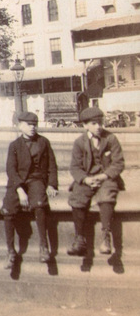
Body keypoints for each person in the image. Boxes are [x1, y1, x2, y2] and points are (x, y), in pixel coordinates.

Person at [1, 111, 58, 267]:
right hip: (17, 183)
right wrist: (19, 190)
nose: (33, 128)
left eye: (35, 124)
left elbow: (52, 165)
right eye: (29, 124)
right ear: (20, 126)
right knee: (8, 210)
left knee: (40, 205)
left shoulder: (43, 142)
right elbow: (11, 170)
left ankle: (44, 247)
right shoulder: (14, 145)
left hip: (36, 179)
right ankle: (11, 251)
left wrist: (52, 184)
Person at [67, 106, 125, 257]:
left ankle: (106, 237)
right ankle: (79, 239)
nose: (98, 126)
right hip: (88, 178)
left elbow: (118, 163)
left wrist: (105, 176)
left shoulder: (111, 138)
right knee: (77, 198)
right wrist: (86, 179)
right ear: (85, 125)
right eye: (93, 123)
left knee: (106, 196)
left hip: (106, 178)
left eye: (100, 122)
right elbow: (75, 167)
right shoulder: (79, 142)